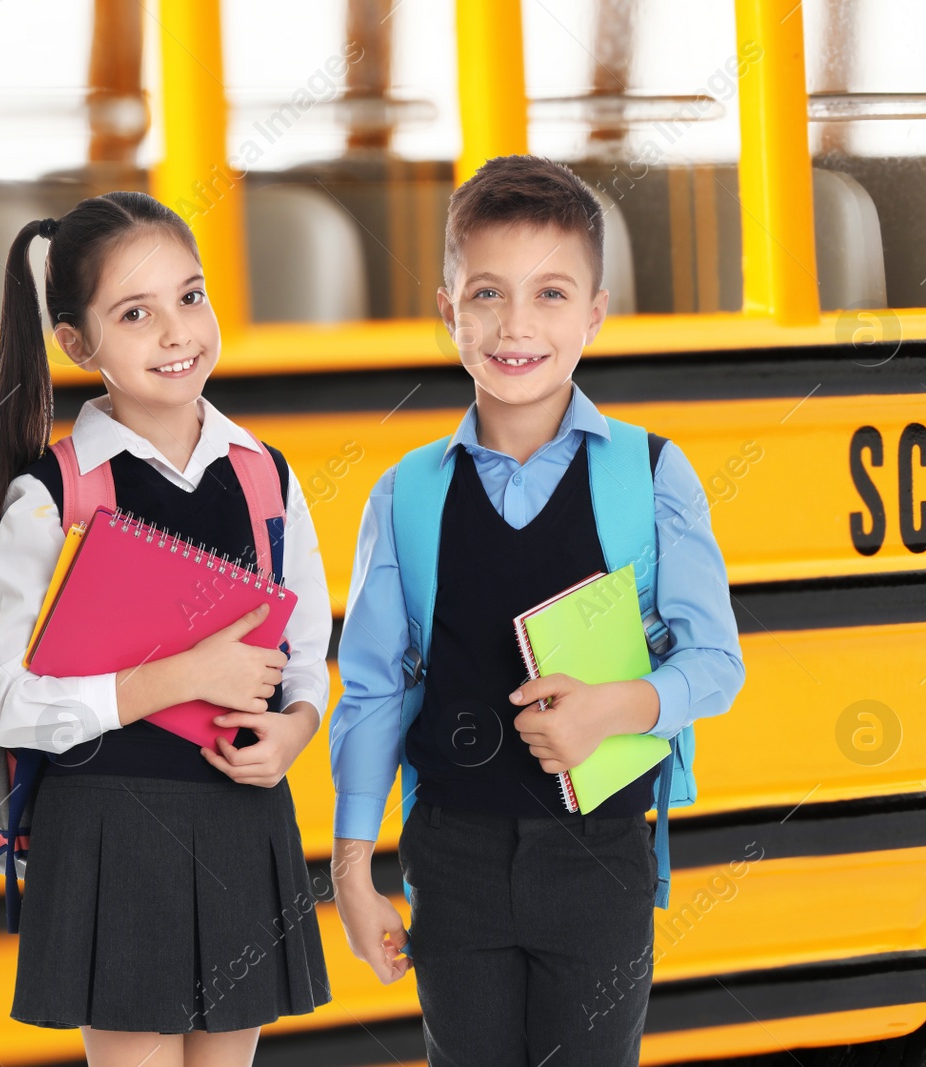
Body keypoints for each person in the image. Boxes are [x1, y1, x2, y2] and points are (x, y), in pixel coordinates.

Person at [328, 155, 746, 1065]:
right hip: (452, 859)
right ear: (448, 310)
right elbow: (371, 690)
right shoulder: (406, 497)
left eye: (551, 294)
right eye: (487, 293)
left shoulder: (649, 475)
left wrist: (615, 707)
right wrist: (353, 869)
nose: (516, 325)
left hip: (598, 859)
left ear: (595, 312)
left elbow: (716, 664)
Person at [0, 191, 334, 1066]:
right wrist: (181, 676)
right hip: (109, 833)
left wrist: (295, 728)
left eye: (190, 296)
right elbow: (4, 704)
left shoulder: (265, 476)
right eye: (137, 312)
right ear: (78, 345)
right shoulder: (53, 496)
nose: (177, 331)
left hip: (241, 816)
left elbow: (307, 649)